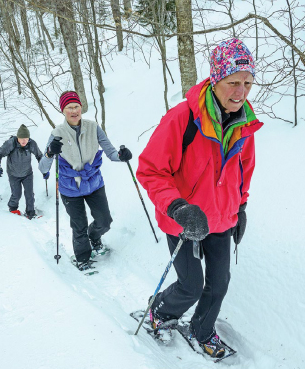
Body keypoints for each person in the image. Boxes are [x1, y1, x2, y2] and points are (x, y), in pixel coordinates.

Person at [136, 39, 263, 358]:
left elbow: (244, 169)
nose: (241, 91)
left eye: (247, 82)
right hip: (184, 220)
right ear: (216, 79)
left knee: (219, 284)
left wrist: (241, 206)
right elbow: (150, 170)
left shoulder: (244, 122)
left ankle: (202, 330)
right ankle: (160, 314)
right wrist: (178, 207)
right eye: (233, 82)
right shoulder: (183, 118)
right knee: (191, 285)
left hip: (221, 219)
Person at [38, 91, 133, 271]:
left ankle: (94, 237)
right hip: (70, 188)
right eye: (69, 108)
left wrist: (122, 156)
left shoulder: (93, 127)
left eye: (76, 107)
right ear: (63, 111)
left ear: (81, 108)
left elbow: (111, 152)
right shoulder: (57, 133)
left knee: (105, 221)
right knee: (78, 226)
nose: (74, 111)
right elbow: (43, 166)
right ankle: (82, 259)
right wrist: (51, 151)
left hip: (94, 183)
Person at [0, 124, 43, 219]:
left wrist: (44, 169)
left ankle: (30, 212)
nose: (24, 141)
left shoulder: (31, 144)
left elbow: (39, 156)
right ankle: (13, 208)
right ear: (17, 138)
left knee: (29, 194)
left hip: (27, 173)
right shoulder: (11, 143)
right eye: (22, 138)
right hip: (13, 173)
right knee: (16, 193)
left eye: (26, 138)